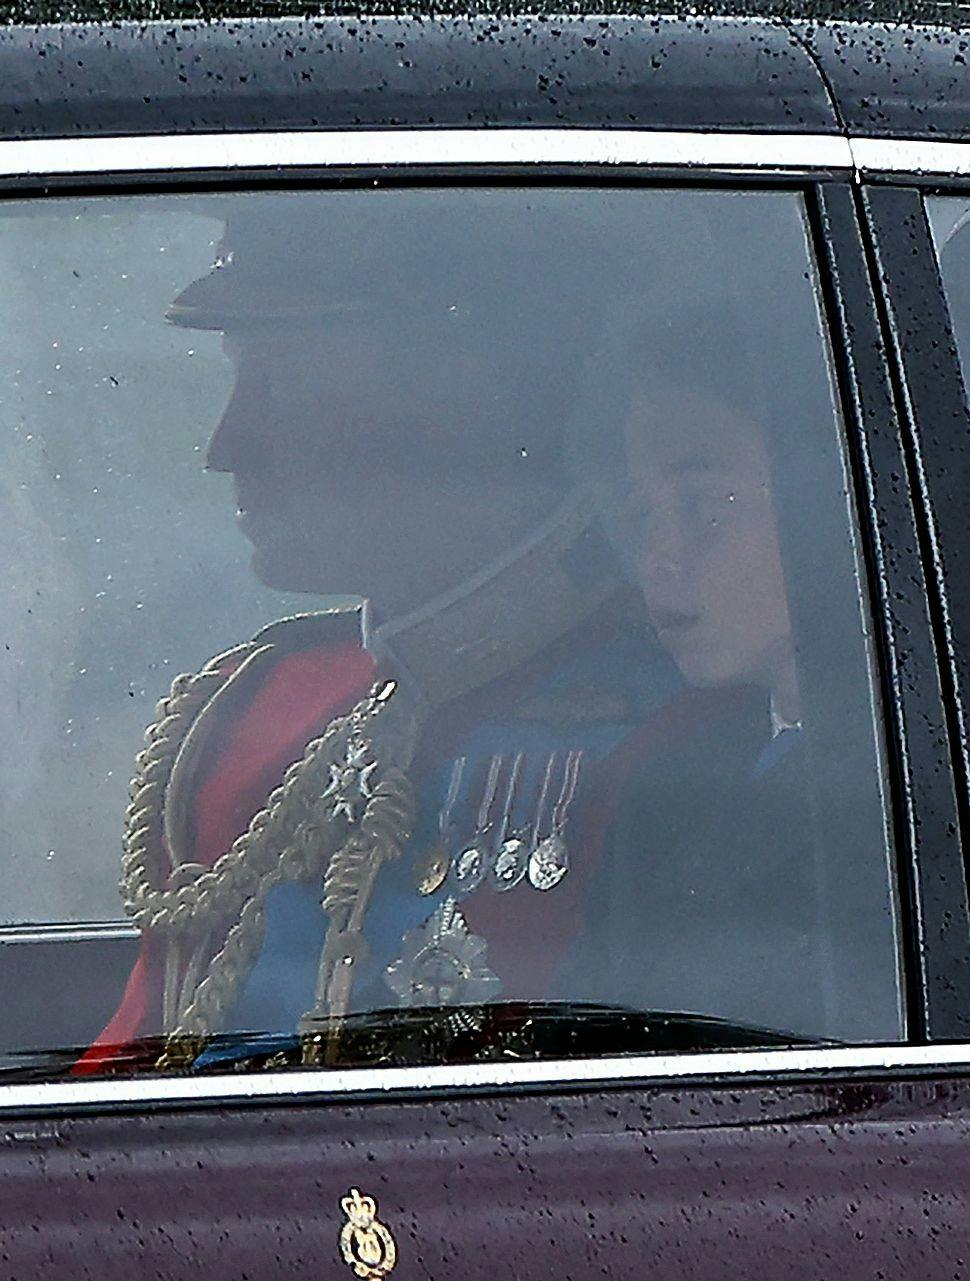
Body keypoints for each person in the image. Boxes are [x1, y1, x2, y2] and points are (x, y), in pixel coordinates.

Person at [77, 195, 692, 1073]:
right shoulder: (260, 715)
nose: (226, 444)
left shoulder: (673, 740)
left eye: (283, 385)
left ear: (463, 404)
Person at [549, 308, 868, 1040]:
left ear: (826, 501)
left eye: (704, 506)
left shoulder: (964, 779)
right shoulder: (666, 793)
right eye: (642, 512)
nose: (657, 554)